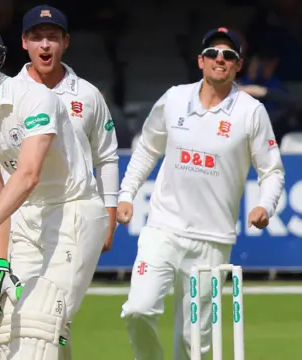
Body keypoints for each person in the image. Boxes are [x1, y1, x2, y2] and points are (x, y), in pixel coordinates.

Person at [0, 18, 109, 359]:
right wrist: (0, 263)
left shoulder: (35, 98)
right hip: (24, 218)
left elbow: (29, 173)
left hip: (71, 213)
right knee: (6, 327)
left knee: (40, 322)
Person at [117, 28, 284, 360]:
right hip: (163, 228)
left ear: (238, 65)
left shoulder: (250, 112)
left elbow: (272, 171)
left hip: (212, 238)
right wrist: (126, 193)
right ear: (200, 61)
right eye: (213, 53)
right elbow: (147, 150)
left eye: (228, 55)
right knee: (138, 310)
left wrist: (265, 205)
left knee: (194, 341)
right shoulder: (174, 97)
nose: (219, 59)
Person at [0, 5, 119, 256]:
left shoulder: (88, 95)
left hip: (68, 211)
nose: (45, 45)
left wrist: (110, 218)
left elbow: (106, 156)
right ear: (24, 42)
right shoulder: (4, 88)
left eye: (53, 37)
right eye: (36, 37)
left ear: (65, 42)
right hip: (15, 212)